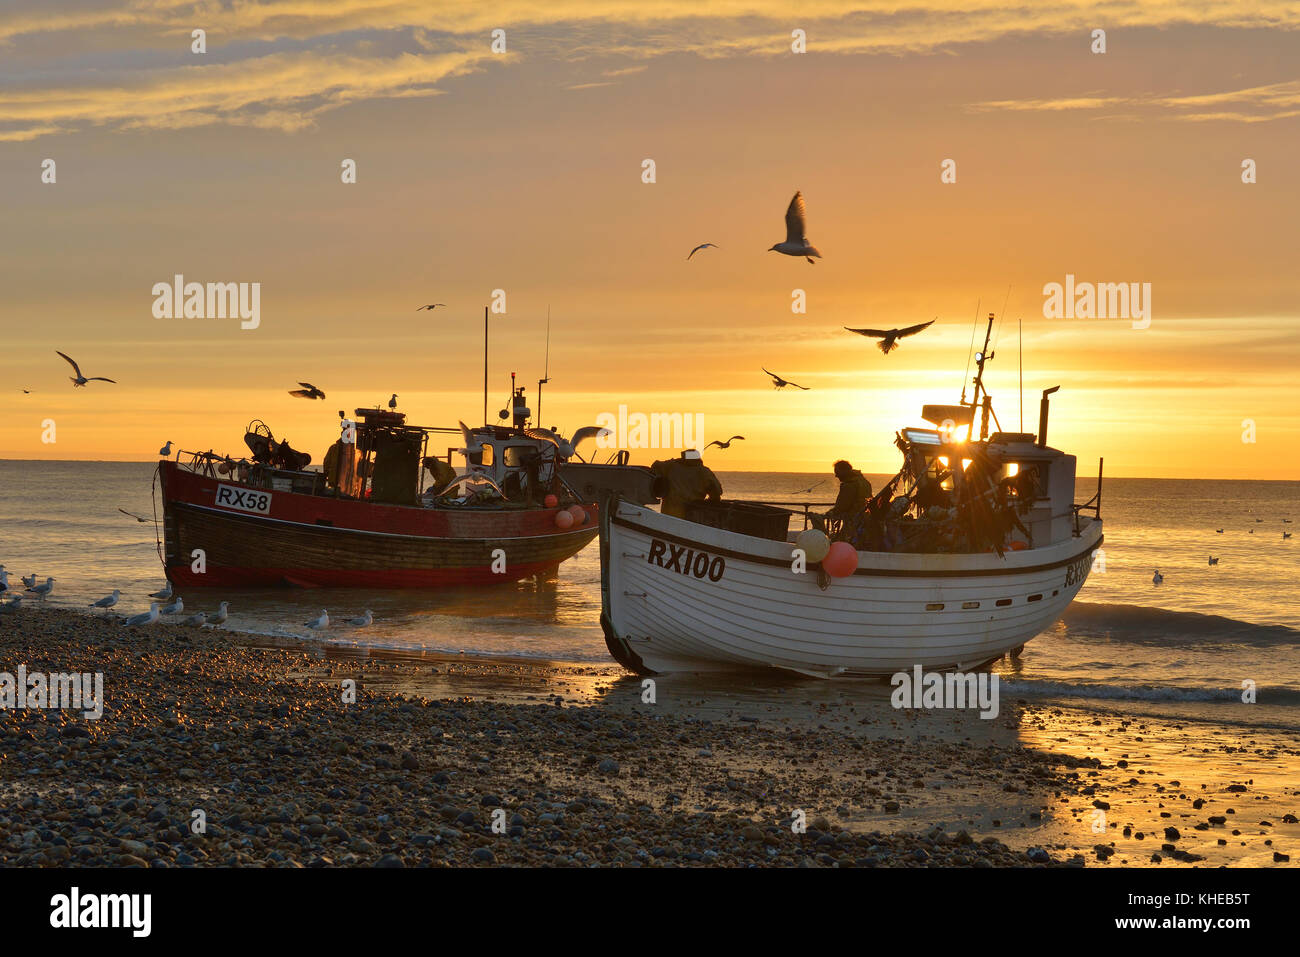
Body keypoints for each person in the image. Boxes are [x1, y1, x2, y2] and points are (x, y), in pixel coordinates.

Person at [650, 449, 723, 518]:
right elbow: (717, 493)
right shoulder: (705, 472)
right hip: (692, 516)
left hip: (669, 514)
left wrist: (675, 460)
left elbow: (655, 466)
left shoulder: (671, 465)